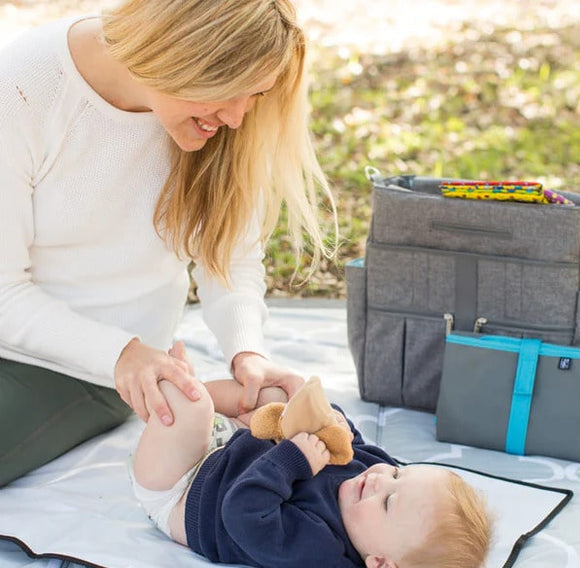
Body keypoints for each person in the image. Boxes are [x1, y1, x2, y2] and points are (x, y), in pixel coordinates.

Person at [0, 0, 335, 485]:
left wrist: (247, 353)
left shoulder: (217, 122)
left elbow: (229, 258)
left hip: (85, 368)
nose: (239, 117)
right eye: (228, 93)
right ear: (178, 52)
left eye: (256, 94)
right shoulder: (24, 88)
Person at [131, 345, 492, 568]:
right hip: (233, 446)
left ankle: (180, 392)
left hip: (183, 488)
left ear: (381, 564)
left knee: (188, 406)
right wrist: (335, 421)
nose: (381, 478)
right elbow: (352, 444)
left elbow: (242, 512)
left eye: (387, 503)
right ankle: (197, 398)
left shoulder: (319, 549)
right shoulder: (374, 473)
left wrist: (293, 460)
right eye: (399, 474)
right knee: (276, 398)